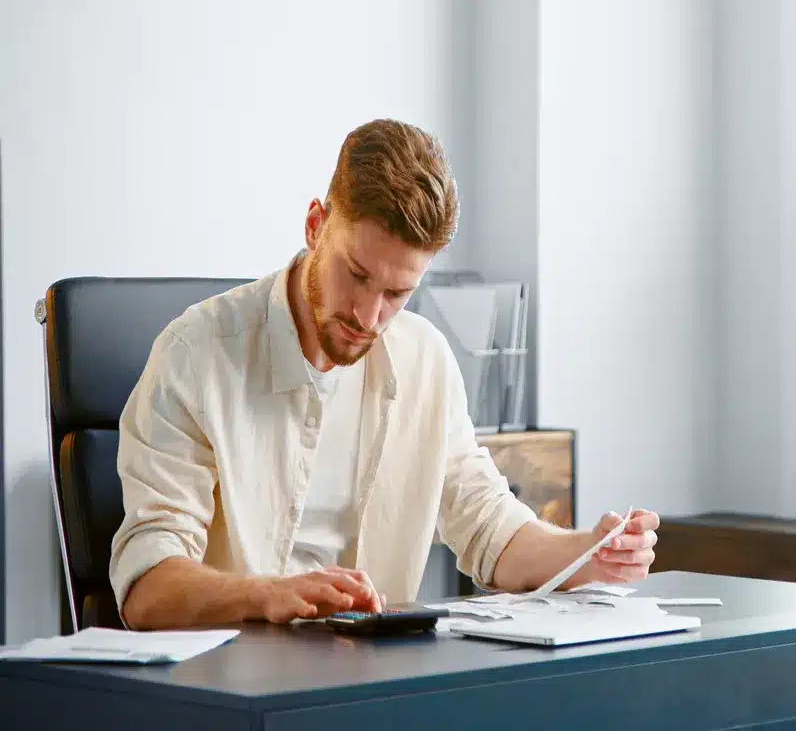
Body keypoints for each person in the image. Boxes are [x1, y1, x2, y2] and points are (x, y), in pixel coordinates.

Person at [110, 119, 659, 630]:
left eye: (398, 293)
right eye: (355, 274)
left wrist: (588, 555)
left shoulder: (425, 360)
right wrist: (266, 595)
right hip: (233, 677)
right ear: (315, 225)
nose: (368, 317)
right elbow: (147, 588)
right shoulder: (196, 355)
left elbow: (489, 526)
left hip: (373, 679)